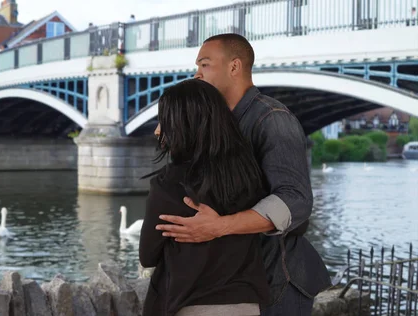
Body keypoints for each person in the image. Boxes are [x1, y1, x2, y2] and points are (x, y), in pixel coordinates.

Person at [155, 33, 332, 315]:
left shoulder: (273, 118)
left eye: (205, 65)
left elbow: (296, 200)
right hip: (240, 282)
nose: (197, 74)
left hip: (279, 279)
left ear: (234, 67)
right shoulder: (219, 122)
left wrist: (220, 226)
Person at [139, 79, 270, 316]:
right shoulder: (250, 175)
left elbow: (147, 256)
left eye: (164, 121)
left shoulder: (168, 185)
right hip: (246, 305)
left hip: (190, 305)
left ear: (182, 125)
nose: (158, 130)